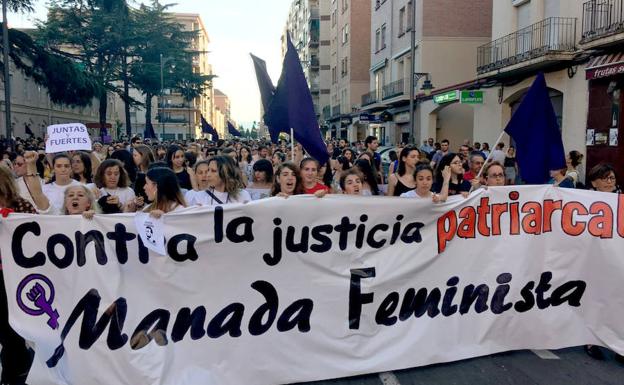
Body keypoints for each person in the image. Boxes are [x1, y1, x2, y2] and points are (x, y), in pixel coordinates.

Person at [0, 166, 35, 385]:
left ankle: (15, 375)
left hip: (15, 275)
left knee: (11, 332)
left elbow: (38, 230)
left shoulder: (21, 205)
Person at [185, 157, 251, 206]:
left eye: (213, 171)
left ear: (225, 173)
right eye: (208, 170)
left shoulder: (243, 195)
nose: (208, 175)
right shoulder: (199, 197)